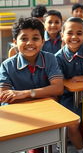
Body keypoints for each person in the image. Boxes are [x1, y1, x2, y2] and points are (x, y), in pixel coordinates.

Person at [0, 17, 64, 153]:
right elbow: (4, 96)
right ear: (14, 42)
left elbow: (58, 88)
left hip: (47, 113)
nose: (30, 43)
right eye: (23, 39)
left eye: (35, 38)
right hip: (21, 117)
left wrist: (23, 94)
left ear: (43, 41)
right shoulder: (7, 65)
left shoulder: (50, 58)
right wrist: (44, 94)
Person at [55, 17, 83, 153]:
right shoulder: (58, 57)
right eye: (70, 33)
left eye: (79, 33)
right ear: (62, 35)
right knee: (73, 123)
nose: (74, 37)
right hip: (69, 97)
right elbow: (60, 82)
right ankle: (81, 149)